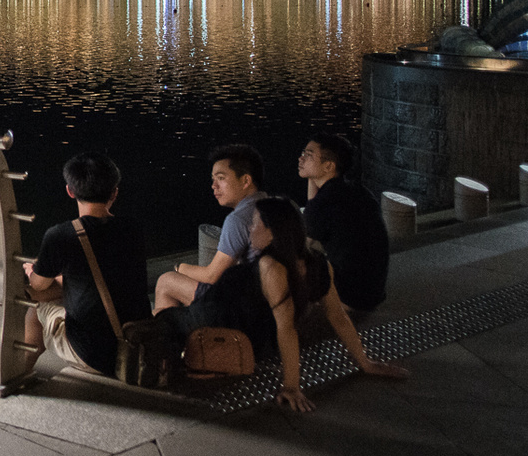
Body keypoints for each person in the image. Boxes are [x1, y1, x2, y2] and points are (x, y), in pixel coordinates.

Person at [161, 197, 407, 412]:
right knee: (169, 305)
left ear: (272, 231)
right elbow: (337, 315)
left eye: (256, 222)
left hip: (221, 321)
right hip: (232, 315)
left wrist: (292, 386)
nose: (250, 228)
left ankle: (163, 361)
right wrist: (364, 362)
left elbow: (286, 328)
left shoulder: (271, 267)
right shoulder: (318, 263)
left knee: (163, 319)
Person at [21, 153, 152, 375]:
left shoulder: (60, 235)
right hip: (138, 345)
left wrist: (32, 270)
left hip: (94, 355)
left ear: (70, 191)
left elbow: (39, 286)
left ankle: (18, 371)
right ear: (114, 192)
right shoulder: (133, 228)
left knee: (37, 310)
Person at [154, 144, 266, 311]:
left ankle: (166, 335)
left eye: (221, 178)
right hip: (274, 298)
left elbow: (212, 276)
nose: (214, 186)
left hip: (247, 307)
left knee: (166, 281)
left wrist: (180, 267)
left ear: (245, 181)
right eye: (213, 179)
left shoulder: (239, 219)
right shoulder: (278, 205)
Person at [299, 133, 390, 315]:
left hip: (350, 297)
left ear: (329, 166)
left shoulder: (324, 203)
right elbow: (314, 213)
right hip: (373, 291)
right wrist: (312, 176)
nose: (300, 158)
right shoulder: (358, 192)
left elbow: (301, 247)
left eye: (308, 155)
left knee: (292, 261)